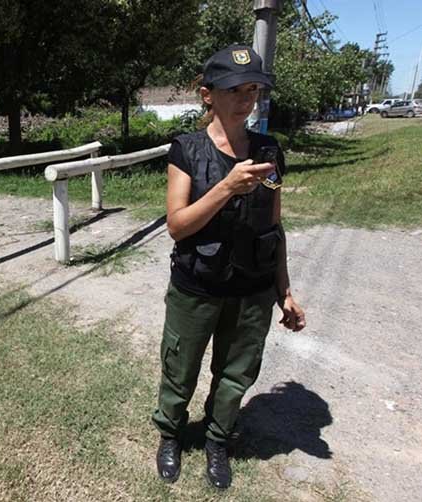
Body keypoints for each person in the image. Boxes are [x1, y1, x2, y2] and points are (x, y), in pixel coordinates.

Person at [151, 45, 306, 490]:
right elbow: (177, 226)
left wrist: (285, 292)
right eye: (234, 89)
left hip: (253, 289)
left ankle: (218, 440)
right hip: (196, 286)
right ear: (207, 95)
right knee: (180, 367)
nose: (246, 99)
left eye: (253, 89)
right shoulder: (187, 149)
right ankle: (171, 434)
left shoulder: (268, 151)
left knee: (236, 373)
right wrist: (226, 187)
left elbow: (273, 227)